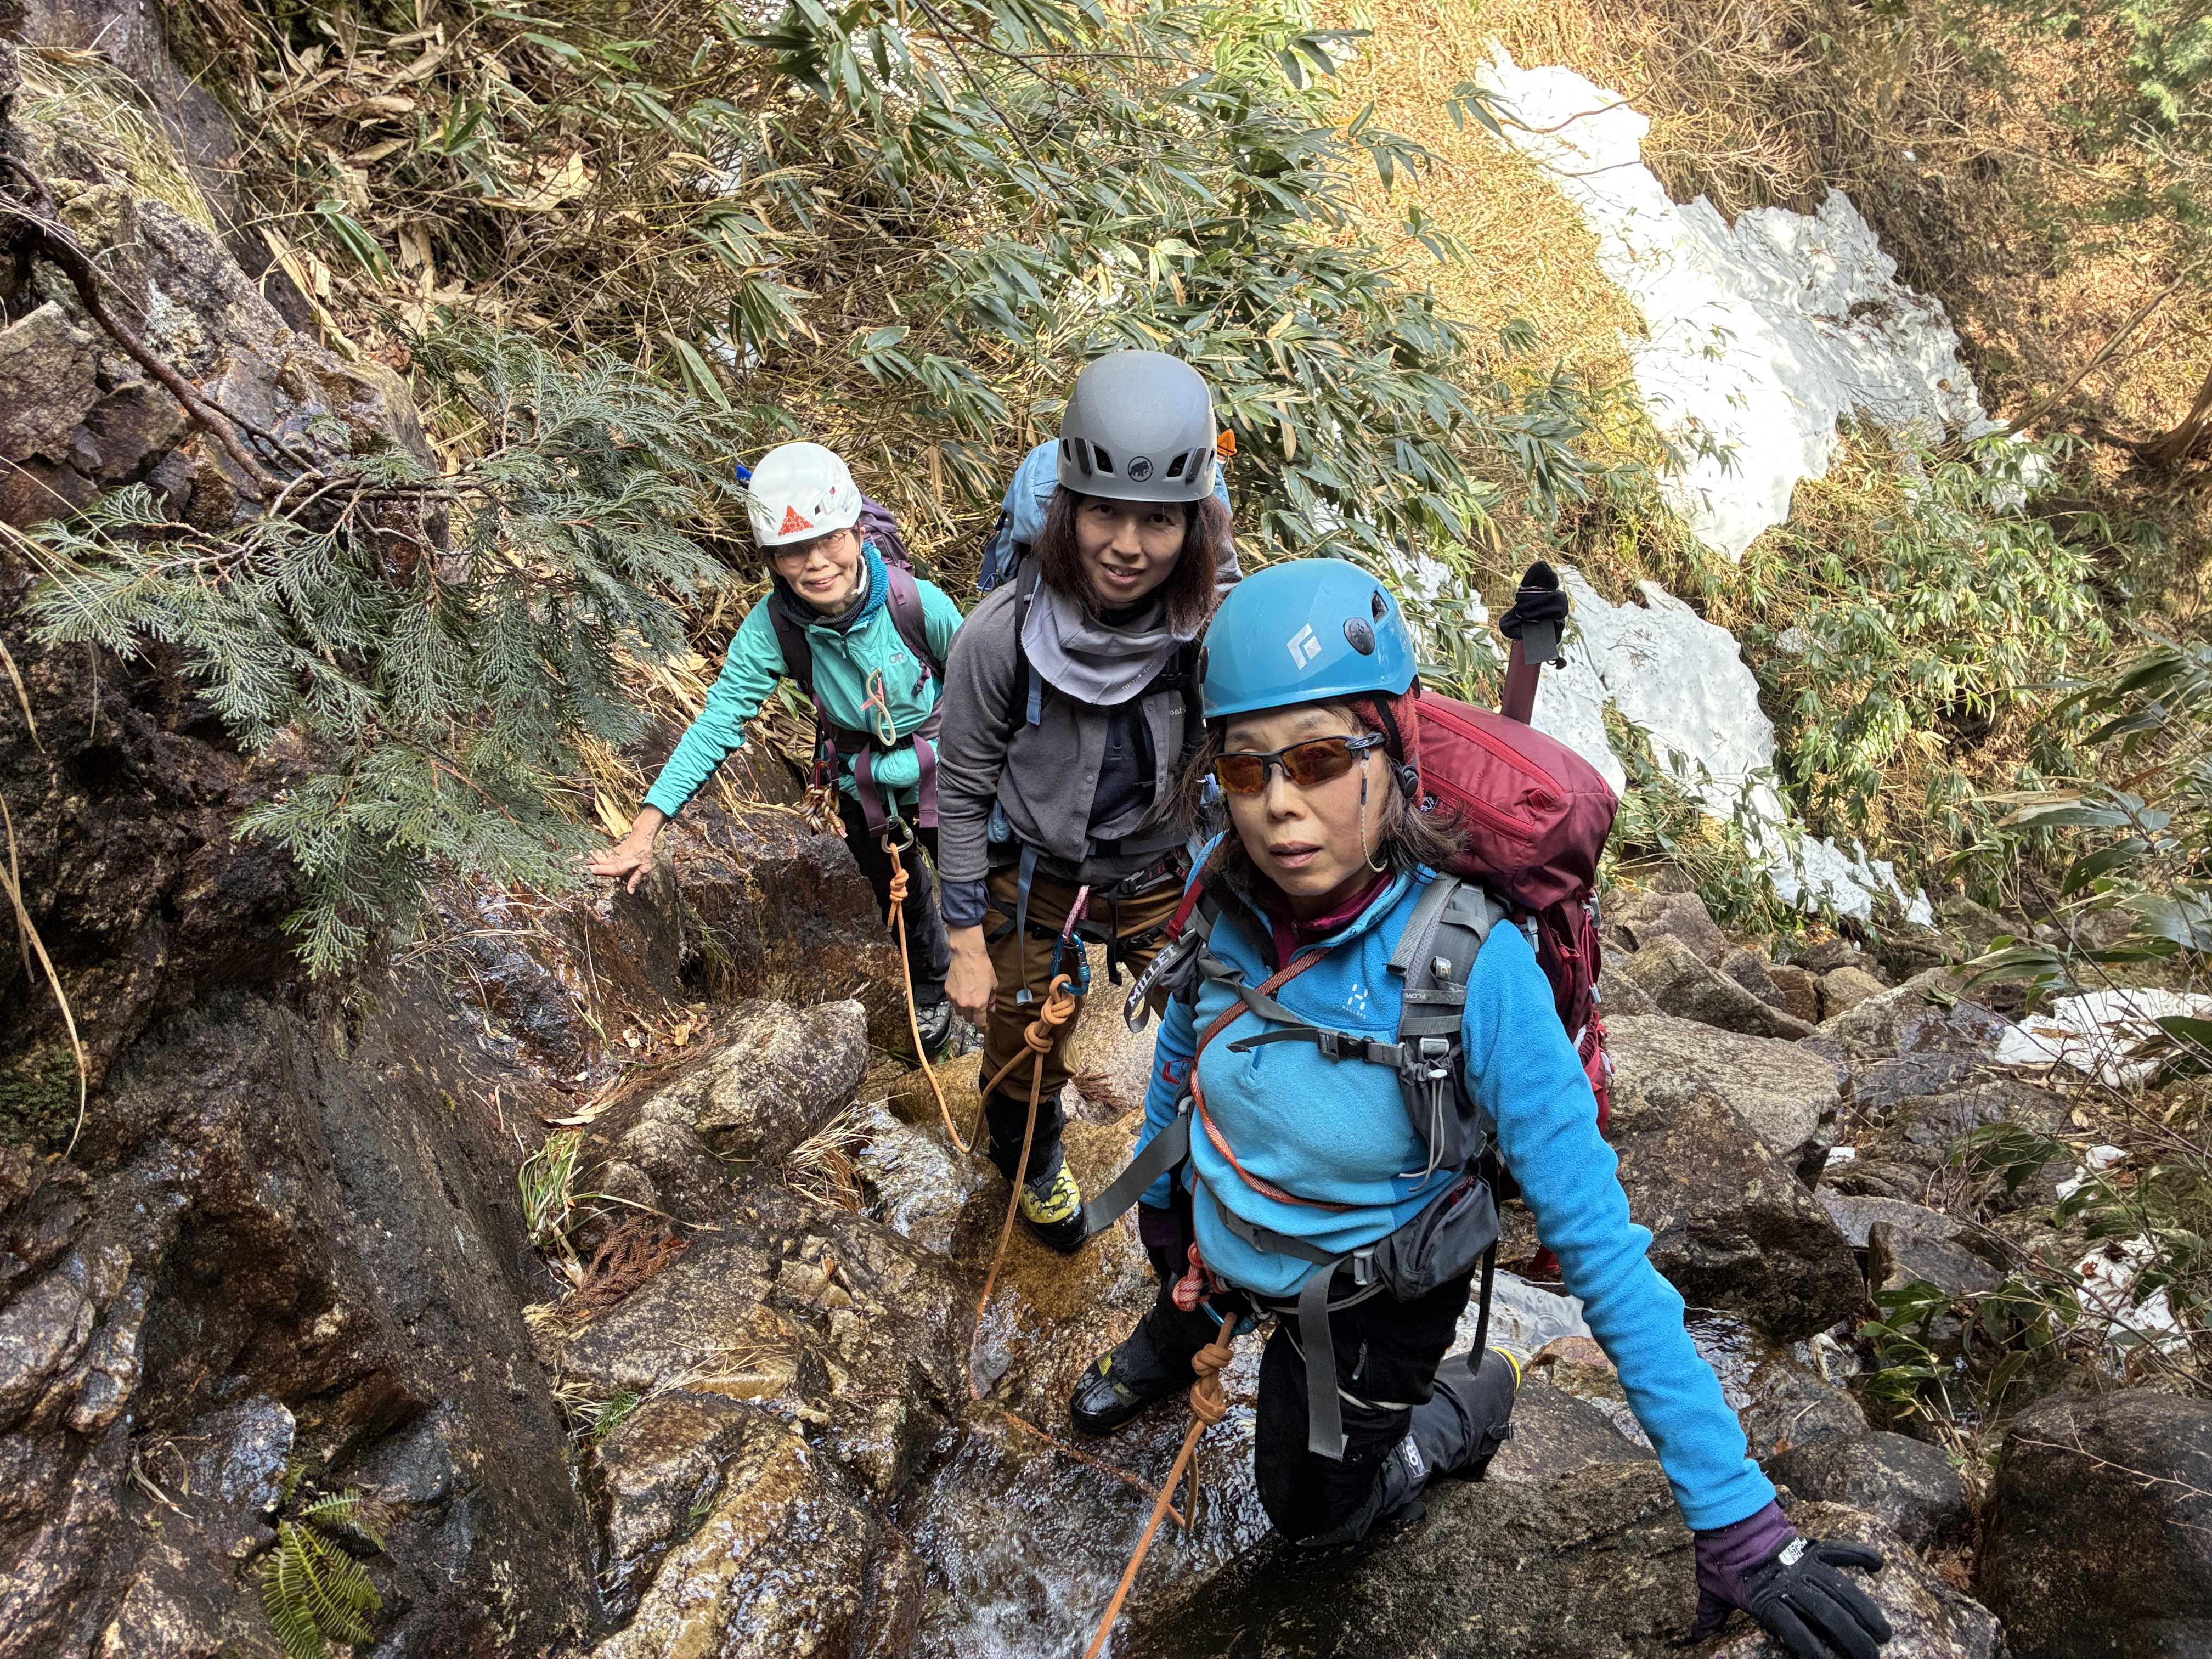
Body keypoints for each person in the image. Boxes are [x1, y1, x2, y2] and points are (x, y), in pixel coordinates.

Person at [1069, 559, 1893, 1659]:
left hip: (1370, 1298)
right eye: (1247, 765)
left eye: (1319, 760)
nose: (1279, 804)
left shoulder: (1476, 971)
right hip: (1236, 1232)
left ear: (1393, 750)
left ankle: (1471, 1402)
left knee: (1311, 1517)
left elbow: (1602, 1249)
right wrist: (1167, 1214)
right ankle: (1189, 1321)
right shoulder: (1222, 885)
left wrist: (1737, 1516)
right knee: (1197, 1303)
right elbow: (1181, 1047)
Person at [935, 349, 1240, 1252]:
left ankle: (1197, 1186)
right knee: (1023, 1049)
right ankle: (1030, 1165)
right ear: (1068, 508)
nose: (1126, 544)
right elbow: (958, 791)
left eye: (1157, 521)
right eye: (1104, 510)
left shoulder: (1211, 633)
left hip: (1160, 867)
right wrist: (962, 943)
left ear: (1194, 526)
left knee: (1224, 1031)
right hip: (1031, 879)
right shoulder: (1000, 635)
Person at [589, 442, 963, 1054]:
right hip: (861, 782)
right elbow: (718, 723)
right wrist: (644, 831)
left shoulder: (915, 603)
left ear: (858, 530)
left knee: (980, 878)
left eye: (830, 541)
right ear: (770, 557)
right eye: (793, 549)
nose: (816, 564)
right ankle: (929, 986)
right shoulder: (775, 629)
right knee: (898, 893)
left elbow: (988, 687)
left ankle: (1003, 974)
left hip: (945, 769)